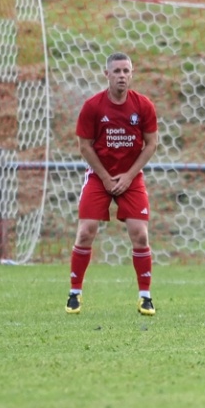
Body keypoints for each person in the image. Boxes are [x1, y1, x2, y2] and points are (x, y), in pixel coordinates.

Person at [66, 52, 159, 316]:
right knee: (86, 231)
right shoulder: (93, 106)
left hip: (131, 177)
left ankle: (145, 297)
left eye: (126, 71)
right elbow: (84, 146)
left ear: (132, 73)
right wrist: (106, 178)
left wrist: (128, 176)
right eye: (116, 71)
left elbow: (151, 144)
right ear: (106, 74)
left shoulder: (143, 106)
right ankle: (75, 293)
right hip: (99, 176)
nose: (121, 76)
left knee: (140, 234)